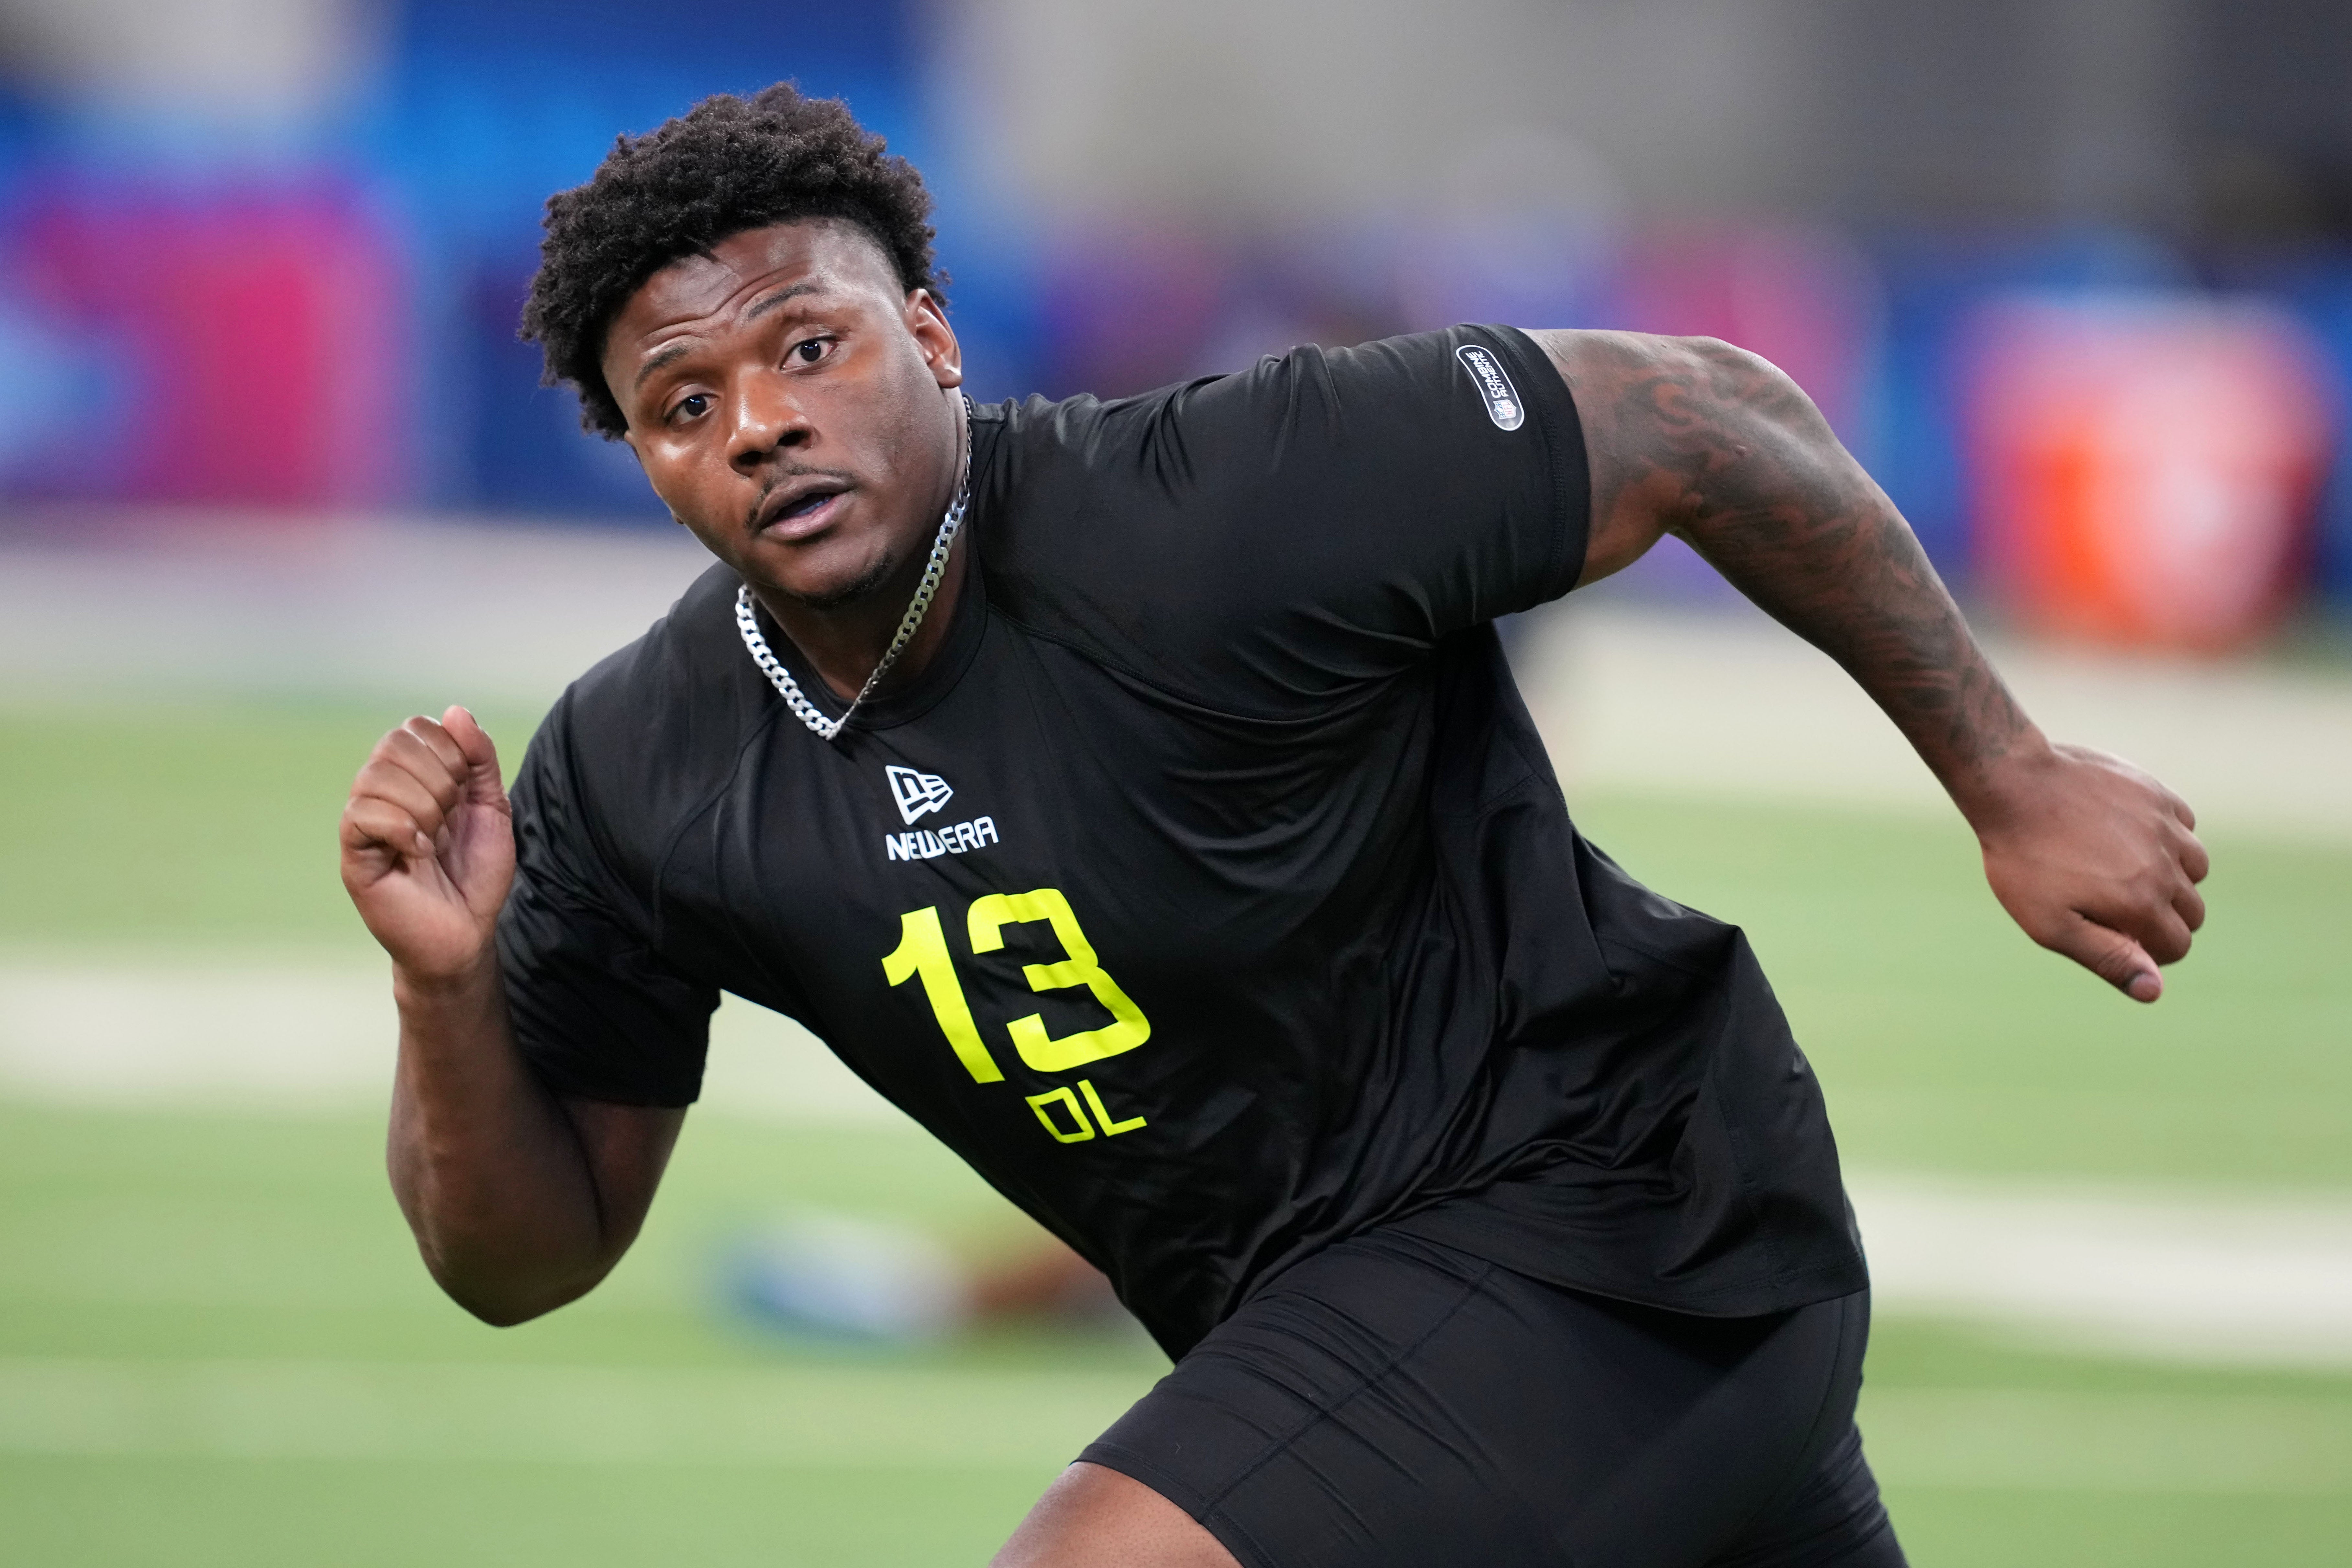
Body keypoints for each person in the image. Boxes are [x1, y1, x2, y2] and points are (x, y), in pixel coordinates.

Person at [338, 85, 2208, 1568]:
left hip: (1620, 1219)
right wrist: (446, 992)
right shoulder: (646, 767)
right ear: (642, 458)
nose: (758, 422)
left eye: (809, 348)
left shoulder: (1215, 499)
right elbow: (524, 1260)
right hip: (1344, 1335)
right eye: (684, 404)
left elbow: (1696, 415)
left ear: (928, 334)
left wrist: (2008, 775)